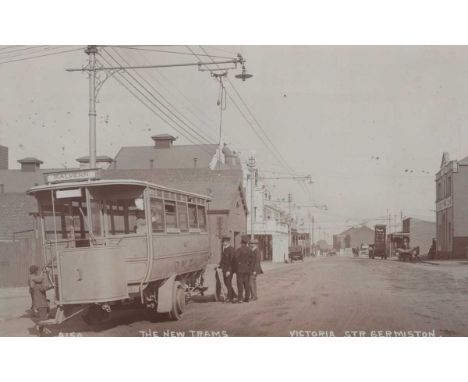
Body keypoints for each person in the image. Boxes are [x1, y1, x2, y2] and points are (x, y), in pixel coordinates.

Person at [29, 266, 52, 335]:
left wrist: (43, 272)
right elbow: (41, 281)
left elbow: (39, 279)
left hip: (39, 303)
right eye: (37, 270)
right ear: (35, 271)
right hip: (41, 304)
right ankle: (40, 330)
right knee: (43, 319)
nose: (37, 272)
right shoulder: (36, 282)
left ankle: (42, 330)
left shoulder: (33, 282)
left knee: (43, 317)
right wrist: (46, 273)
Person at [234, 237, 254, 303]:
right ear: (246, 243)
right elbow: (252, 259)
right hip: (247, 269)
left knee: (240, 284)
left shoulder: (239, 250)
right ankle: (247, 298)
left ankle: (240, 299)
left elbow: (236, 258)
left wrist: (239, 262)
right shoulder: (250, 250)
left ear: (242, 243)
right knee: (246, 284)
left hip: (240, 269)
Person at [219, 236, 237, 303]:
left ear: (227, 242)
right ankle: (234, 295)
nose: (222, 243)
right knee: (226, 283)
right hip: (225, 269)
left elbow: (232, 261)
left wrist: (229, 270)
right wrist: (219, 266)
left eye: (223, 242)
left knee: (228, 283)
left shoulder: (231, 250)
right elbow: (223, 260)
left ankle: (229, 298)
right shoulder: (225, 249)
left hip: (229, 270)